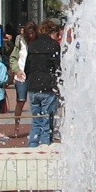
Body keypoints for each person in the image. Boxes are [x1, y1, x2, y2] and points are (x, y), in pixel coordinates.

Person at [24, 19, 62, 148]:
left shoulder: (32, 45)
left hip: (33, 86)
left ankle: (33, 145)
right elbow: (58, 68)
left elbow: (27, 68)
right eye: (57, 34)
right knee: (47, 120)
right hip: (48, 86)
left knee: (36, 120)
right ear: (52, 32)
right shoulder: (54, 45)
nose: (58, 37)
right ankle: (45, 147)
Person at [8, 21, 34, 137]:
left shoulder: (36, 41)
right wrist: (16, 70)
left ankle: (36, 127)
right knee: (21, 101)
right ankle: (16, 127)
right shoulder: (19, 40)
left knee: (35, 101)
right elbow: (13, 57)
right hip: (22, 74)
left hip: (34, 74)